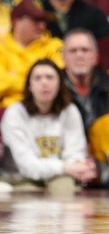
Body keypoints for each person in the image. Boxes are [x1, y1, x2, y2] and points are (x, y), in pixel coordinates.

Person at [0, 59, 96, 194]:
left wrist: (74, 166)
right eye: (38, 78)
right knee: (27, 195)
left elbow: (76, 153)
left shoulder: (70, 111)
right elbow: (27, 166)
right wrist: (66, 167)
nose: (44, 83)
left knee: (65, 187)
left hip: (59, 176)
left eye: (50, 77)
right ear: (29, 86)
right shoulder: (15, 113)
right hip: (19, 178)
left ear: (59, 84)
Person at [0, 0, 64, 108]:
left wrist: (14, 79)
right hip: (7, 111)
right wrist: (36, 83)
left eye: (44, 21)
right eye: (36, 20)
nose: (42, 26)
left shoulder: (56, 46)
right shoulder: (1, 47)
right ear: (16, 22)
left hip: (47, 108)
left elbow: (57, 81)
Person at [61, 29, 109, 130]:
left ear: (96, 57)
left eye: (85, 50)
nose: (79, 55)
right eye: (73, 51)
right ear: (63, 58)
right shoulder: (54, 87)